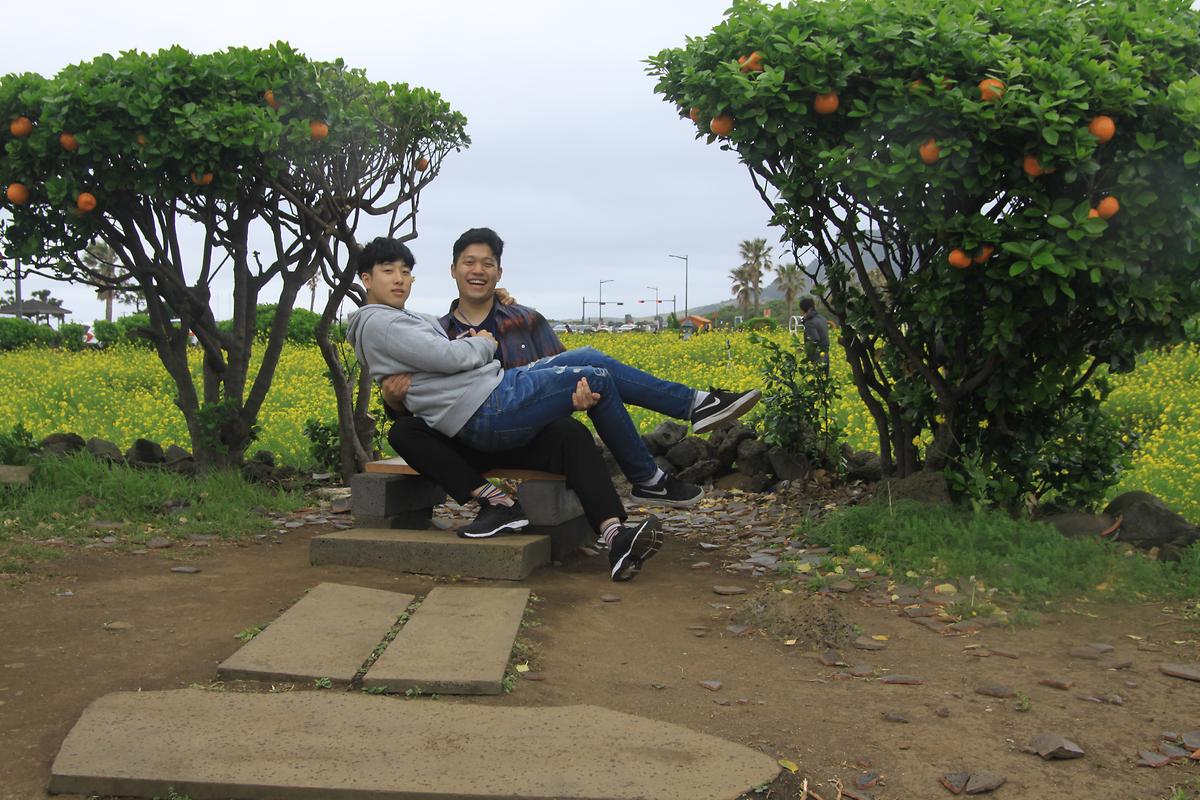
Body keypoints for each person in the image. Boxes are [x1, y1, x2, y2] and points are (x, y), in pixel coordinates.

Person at [347, 232, 761, 581]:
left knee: (590, 369)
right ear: (453, 271)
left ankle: (693, 410)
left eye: (405, 272)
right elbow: (442, 363)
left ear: (499, 273)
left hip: (516, 411)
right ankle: (648, 476)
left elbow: (558, 374)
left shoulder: (518, 318)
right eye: (469, 263)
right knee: (594, 377)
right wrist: (478, 346)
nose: (399, 279)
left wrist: (574, 400)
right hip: (484, 416)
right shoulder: (409, 325)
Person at [798, 296, 830, 374]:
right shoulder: (822, 318)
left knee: (817, 378)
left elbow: (815, 340)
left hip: (817, 357)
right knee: (824, 378)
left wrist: (803, 348)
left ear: (802, 309)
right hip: (825, 355)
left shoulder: (810, 322)